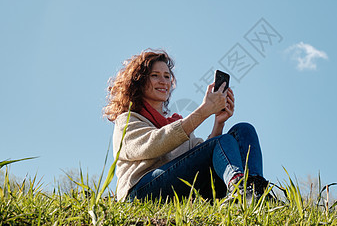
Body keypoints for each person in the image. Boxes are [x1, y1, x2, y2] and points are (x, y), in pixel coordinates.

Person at [103, 49, 270, 202]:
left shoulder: (177, 125)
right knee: (220, 142)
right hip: (139, 193)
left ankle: (255, 193)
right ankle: (239, 188)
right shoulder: (128, 120)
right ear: (138, 81)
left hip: (180, 188)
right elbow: (153, 144)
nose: (163, 81)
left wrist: (219, 122)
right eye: (155, 75)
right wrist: (203, 111)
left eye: (167, 76)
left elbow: (206, 152)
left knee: (243, 129)